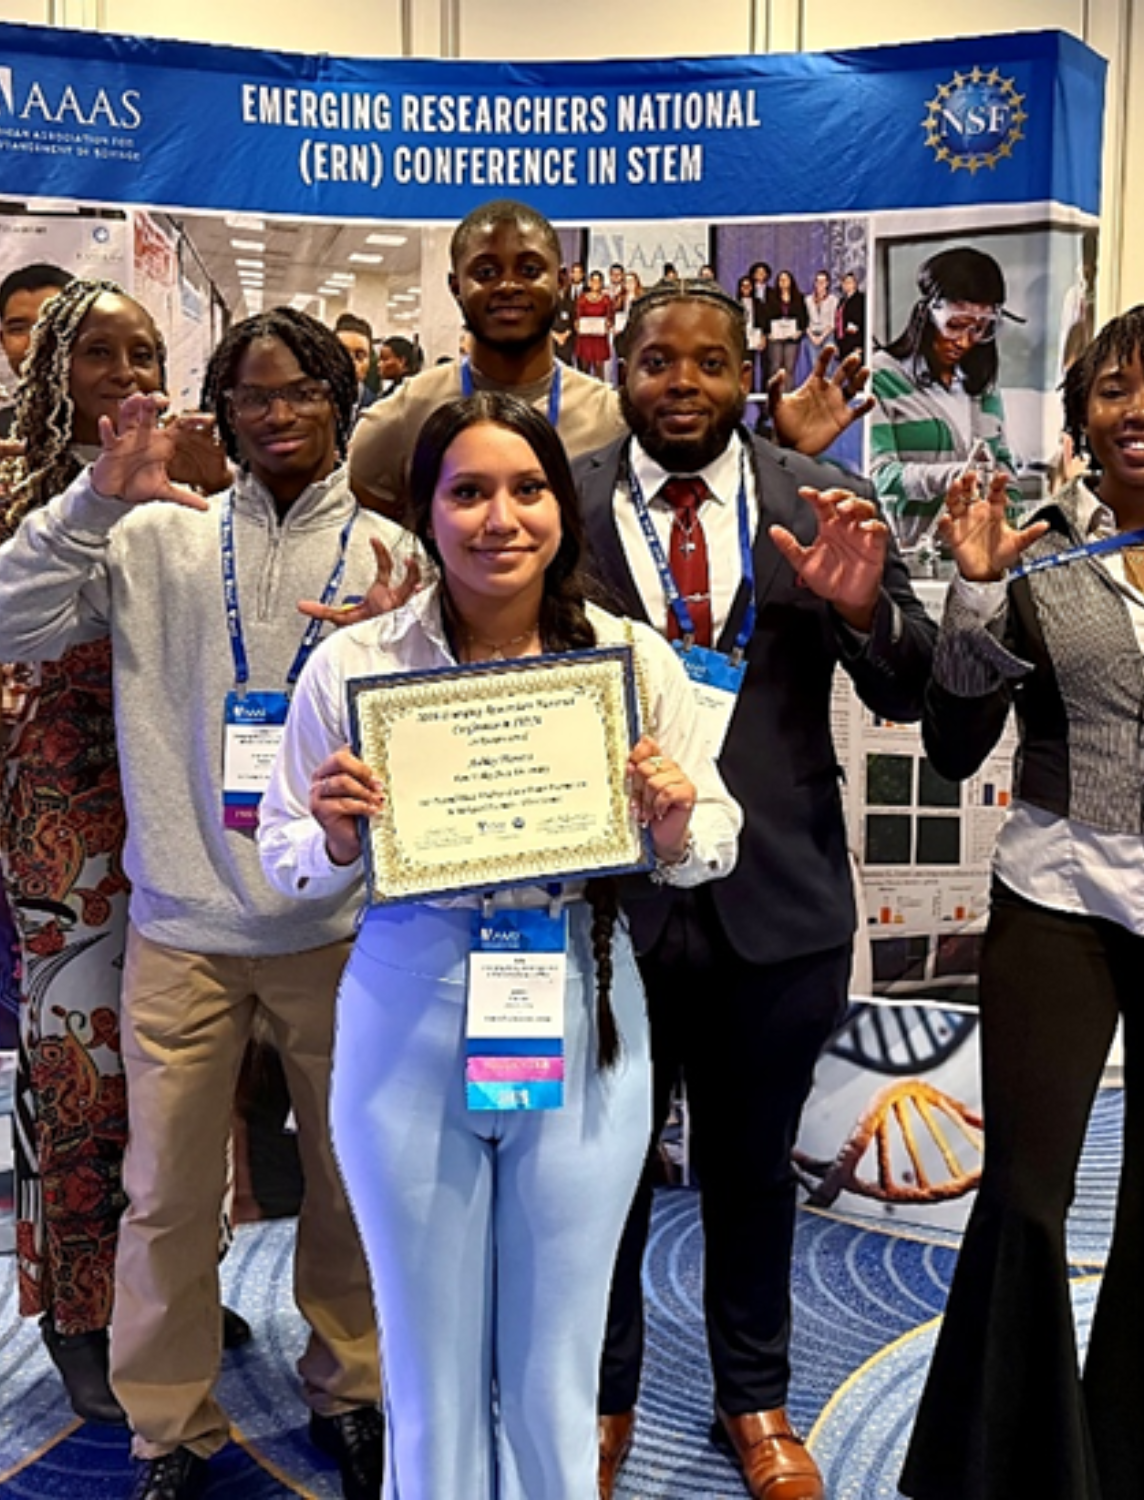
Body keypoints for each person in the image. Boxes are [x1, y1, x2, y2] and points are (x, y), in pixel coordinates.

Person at [258, 390, 741, 1499]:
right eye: (467, 492)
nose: (500, 518)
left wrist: (673, 824)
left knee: (554, 1369)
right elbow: (286, 854)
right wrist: (334, 837)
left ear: (561, 507)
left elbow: (715, 835)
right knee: (424, 1373)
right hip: (405, 1010)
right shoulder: (355, 669)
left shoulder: (628, 659)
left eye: (526, 489)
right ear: (424, 513)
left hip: (581, 1000)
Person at [0, 308, 406, 1500]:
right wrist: (92, 502)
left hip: (336, 928)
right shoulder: (152, 536)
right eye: (253, 394)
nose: (278, 413)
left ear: (339, 402)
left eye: (303, 390)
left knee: (344, 1177)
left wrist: (396, 650)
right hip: (181, 927)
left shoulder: (388, 554)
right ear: (220, 409)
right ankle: (169, 1425)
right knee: (161, 1195)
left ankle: (352, 1386)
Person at [574, 280, 933, 1500]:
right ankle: (604, 1396)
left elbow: (907, 687)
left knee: (752, 1166)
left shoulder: (820, 500)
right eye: (658, 361)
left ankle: (758, 1400)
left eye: (711, 363)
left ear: (745, 378)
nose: (684, 384)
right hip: (607, 901)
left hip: (774, 899)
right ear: (621, 371)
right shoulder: (554, 503)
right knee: (602, 1172)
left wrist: (864, 606)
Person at [0, 278, 232, 1429]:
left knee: (184, 1071)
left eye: (144, 354)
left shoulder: (197, 487)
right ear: (53, 372)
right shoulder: (28, 491)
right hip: (70, 820)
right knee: (82, 1076)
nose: (128, 376)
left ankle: (167, 1290)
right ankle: (78, 1313)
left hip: (186, 805)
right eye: (99, 355)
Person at [899, 305, 1144, 1500]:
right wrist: (976, 600)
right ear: (1082, 420)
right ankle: (1004, 1468)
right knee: (1030, 1193)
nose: (1140, 412)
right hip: (1056, 897)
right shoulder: (1033, 567)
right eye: (1113, 393)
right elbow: (950, 746)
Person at [348, 199, 874, 524]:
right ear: (454, 287)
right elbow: (366, 520)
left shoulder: (613, 414)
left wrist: (783, 449)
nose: (508, 285)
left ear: (561, 283)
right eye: (486, 271)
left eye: (529, 269)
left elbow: (702, 485)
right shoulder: (405, 413)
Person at [870, 245, 1021, 549]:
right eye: (955, 325)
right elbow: (879, 476)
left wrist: (1010, 512)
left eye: (980, 329)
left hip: (980, 557)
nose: (965, 341)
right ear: (927, 313)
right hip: (912, 558)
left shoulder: (982, 386)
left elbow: (1004, 464)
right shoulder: (882, 378)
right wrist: (955, 476)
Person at [0, 262, 73, 437]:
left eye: (53, 325)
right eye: (18, 329)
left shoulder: (128, 427)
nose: (36, 341)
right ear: (2, 340)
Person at [335, 312, 378, 426]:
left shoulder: (378, 408)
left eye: (359, 356)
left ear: (369, 361)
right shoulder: (313, 404)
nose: (350, 362)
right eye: (342, 353)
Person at [763, 268, 804, 389]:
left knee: (789, 368)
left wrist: (799, 331)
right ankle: (774, 397)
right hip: (775, 338)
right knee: (775, 367)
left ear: (791, 281)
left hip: (792, 338)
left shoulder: (798, 298)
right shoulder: (771, 297)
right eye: (781, 279)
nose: (783, 282)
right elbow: (766, 316)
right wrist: (767, 333)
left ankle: (788, 398)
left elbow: (803, 317)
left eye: (786, 279)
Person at [575, 269, 615, 377]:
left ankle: (599, 393)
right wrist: (577, 325)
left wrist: (608, 324)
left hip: (599, 339)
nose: (595, 284)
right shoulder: (582, 299)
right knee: (584, 370)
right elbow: (577, 317)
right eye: (593, 281)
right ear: (589, 282)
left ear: (601, 283)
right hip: (585, 339)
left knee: (599, 370)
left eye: (598, 281)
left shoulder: (606, 299)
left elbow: (611, 318)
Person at [802, 269, 838, 383]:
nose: (820, 284)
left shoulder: (833, 300)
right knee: (815, 365)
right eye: (817, 281)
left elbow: (833, 322)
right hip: (811, 335)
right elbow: (804, 321)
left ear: (827, 283)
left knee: (828, 365)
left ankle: (828, 391)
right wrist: (812, 336)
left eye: (823, 281)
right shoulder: (807, 300)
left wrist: (822, 337)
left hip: (827, 334)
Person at [834, 270, 865, 363]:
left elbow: (864, 322)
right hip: (843, 342)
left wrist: (861, 345)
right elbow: (838, 322)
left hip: (855, 344)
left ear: (855, 284)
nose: (846, 285)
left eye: (849, 282)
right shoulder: (842, 301)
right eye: (844, 282)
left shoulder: (861, 299)